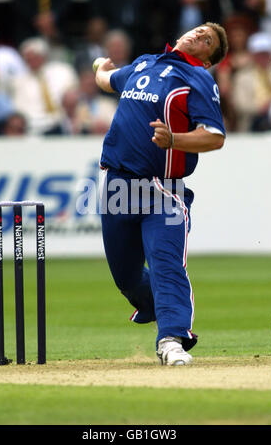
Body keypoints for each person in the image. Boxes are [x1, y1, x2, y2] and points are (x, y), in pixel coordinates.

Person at [94, 23, 228, 365]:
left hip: (162, 189)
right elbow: (107, 80)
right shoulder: (145, 63)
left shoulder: (198, 78)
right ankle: (159, 307)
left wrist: (175, 140)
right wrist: (101, 68)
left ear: (209, 59)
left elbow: (214, 136)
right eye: (199, 30)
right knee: (125, 277)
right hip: (117, 186)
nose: (198, 35)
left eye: (207, 40)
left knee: (166, 262)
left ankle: (172, 339)